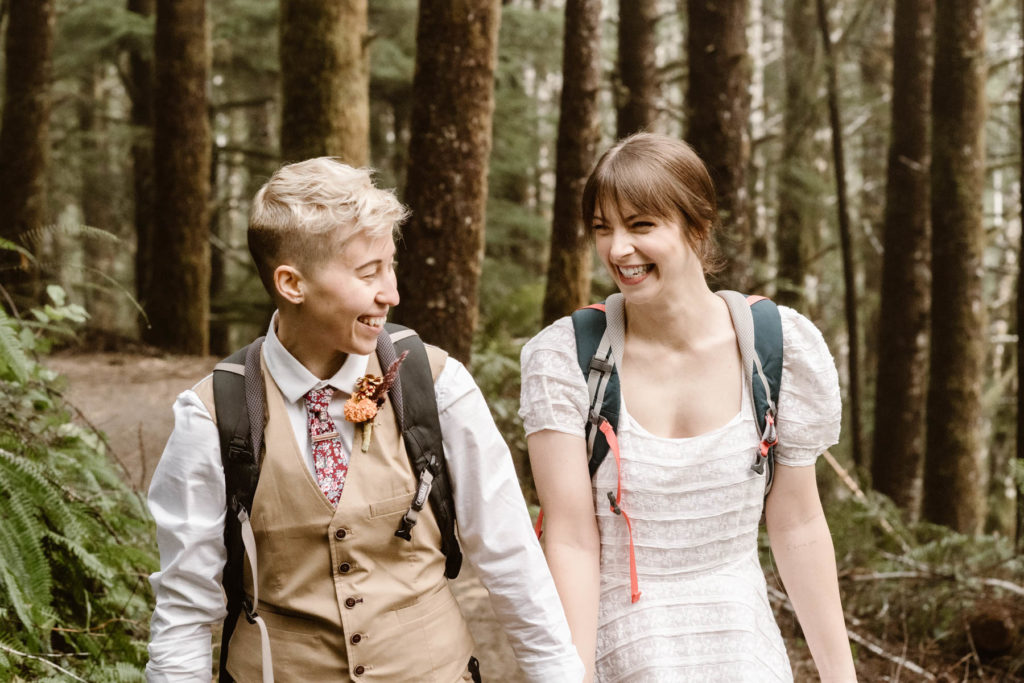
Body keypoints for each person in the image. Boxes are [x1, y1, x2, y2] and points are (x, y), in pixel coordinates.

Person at [146, 157, 584, 682]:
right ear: (292, 283)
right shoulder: (213, 414)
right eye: (367, 272)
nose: (392, 293)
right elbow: (185, 610)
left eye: (390, 265)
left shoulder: (436, 384)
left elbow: (510, 554)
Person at [520, 133, 857, 682]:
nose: (618, 249)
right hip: (618, 649)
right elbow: (571, 538)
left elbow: (797, 523)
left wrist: (841, 677)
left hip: (743, 649)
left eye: (641, 225)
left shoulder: (778, 346)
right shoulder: (565, 356)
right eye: (603, 229)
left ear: (696, 227)